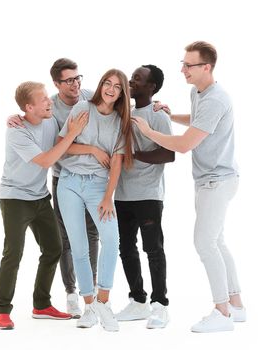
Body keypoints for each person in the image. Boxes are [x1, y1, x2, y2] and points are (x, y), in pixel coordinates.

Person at [132, 41, 246, 333]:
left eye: (189, 65)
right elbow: (198, 122)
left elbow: (182, 146)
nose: (182, 70)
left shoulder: (216, 99)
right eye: (182, 64)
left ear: (206, 67)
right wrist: (171, 116)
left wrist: (148, 130)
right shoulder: (198, 92)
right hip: (211, 179)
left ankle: (221, 312)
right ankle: (236, 305)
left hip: (217, 181)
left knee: (204, 243)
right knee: (217, 242)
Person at [7, 58, 101, 318]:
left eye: (78, 77)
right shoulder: (49, 107)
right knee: (65, 240)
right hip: (64, 178)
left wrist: (157, 108)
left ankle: (90, 290)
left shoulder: (91, 98)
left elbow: (122, 107)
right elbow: (57, 146)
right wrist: (17, 117)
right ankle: (71, 292)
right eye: (68, 80)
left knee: (92, 235)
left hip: (93, 178)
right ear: (56, 84)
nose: (75, 84)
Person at [0, 81, 88, 330]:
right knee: (13, 253)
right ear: (29, 107)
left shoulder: (50, 120)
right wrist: (71, 134)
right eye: (44, 99)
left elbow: (63, 142)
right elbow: (46, 160)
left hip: (40, 197)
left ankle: (42, 305)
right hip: (15, 198)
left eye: (48, 97)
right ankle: (2, 310)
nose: (50, 102)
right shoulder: (16, 131)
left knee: (54, 248)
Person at [57, 68, 133, 332]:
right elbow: (62, 145)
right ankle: (88, 305)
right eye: (107, 84)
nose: (111, 89)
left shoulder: (121, 121)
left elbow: (117, 163)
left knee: (111, 240)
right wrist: (91, 148)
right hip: (68, 183)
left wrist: (108, 197)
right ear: (101, 85)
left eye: (117, 87)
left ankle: (103, 301)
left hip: (99, 186)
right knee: (79, 247)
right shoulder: (81, 109)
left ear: (123, 92)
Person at [114, 65, 174, 329]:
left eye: (138, 78)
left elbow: (169, 153)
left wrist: (135, 156)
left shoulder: (158, 115)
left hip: (149, 195)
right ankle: (138, 301)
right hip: (122, 194)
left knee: (153, 249)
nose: (131, 80)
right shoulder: (122, 110)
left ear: (152, 87)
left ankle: (159, 304)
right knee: (126, 248)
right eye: (132, 76)